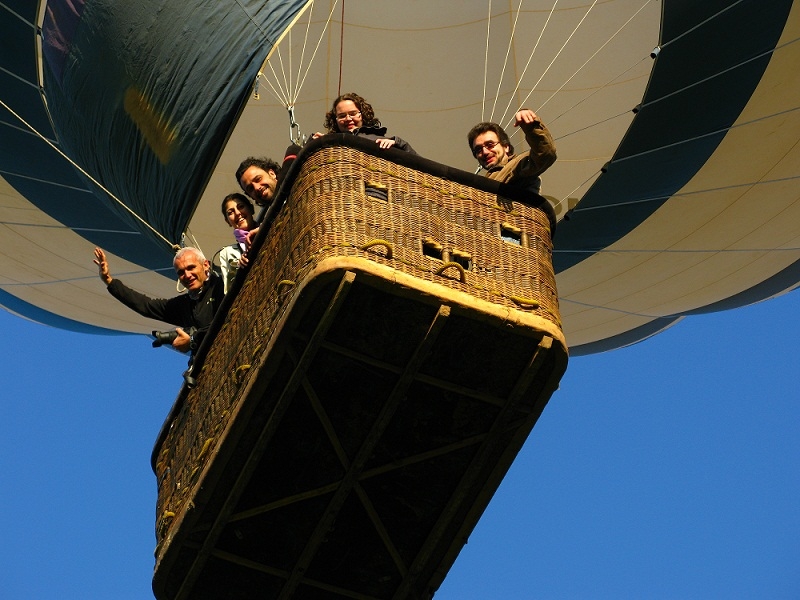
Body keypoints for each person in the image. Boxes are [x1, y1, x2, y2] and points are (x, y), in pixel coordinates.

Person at [93, 246, 224, 354]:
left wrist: (193, 339)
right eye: (181, 272)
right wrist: (109, 281)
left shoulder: (221, 285)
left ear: (205, 265)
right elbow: (146, 306)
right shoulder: (184, 304)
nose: (187, 275)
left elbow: (226, 318)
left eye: (191, 268)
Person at [467, 109, 556, 195]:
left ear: (506, 147)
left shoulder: (517, 166)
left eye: (490, 145)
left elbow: (545, 154)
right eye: (478, 150)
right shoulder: (485, 181)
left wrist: (531, 126)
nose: (485, 152)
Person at [317, 92, 417, 154]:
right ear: (335, 120)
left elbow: (420, 164)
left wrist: (398, 143)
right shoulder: (330, 144)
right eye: (342, 116)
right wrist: (315, 143)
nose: (348, 119)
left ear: (363, 114)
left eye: (353, 113)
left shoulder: (381, 140)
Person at [218, 193, 258, 294]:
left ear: (251, 209)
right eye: (230, 212)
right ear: (227, 221)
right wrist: (238, 269)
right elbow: (229, 291)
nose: (237, 213)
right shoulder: (226, 253)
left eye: (241, 207)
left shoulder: (270, 225)